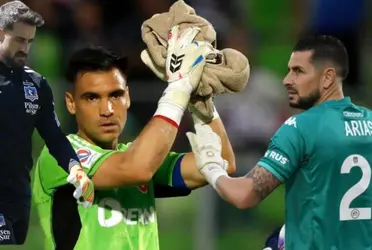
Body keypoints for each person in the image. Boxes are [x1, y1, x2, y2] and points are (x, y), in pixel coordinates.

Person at [33, 26, 236, 250]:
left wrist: (200, 101)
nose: (107, 109)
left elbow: (221, 163)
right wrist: (179, 87)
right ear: (71, 103)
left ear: (127, 97)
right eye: (92, 98)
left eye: (116, 95)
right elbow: (136, 169)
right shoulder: (59, 155)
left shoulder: (138, 156)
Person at [186, 34, 372, 249]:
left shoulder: (301, 128)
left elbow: (244, 195)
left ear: (327, 77)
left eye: (298, 71)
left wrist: (211, 167)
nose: (287, 80)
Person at [0, 1, 93, 245]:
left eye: (30, 42)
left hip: (17, 192)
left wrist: (75, 168)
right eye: (20, 40)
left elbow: (53, 136)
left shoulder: (37, 85)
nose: (25, 48)